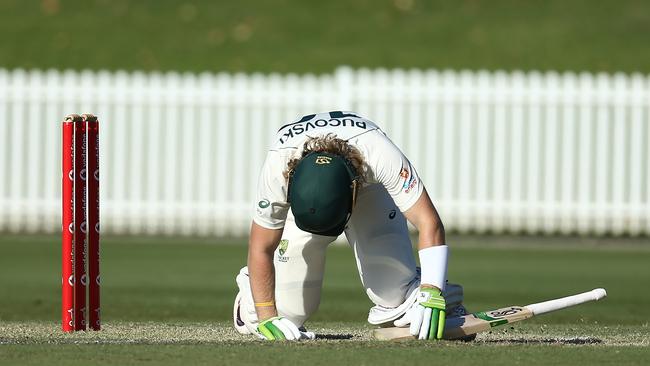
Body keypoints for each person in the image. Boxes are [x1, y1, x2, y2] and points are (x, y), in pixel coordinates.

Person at [233, 111, 467, 341]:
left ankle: (437, 298)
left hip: (367, 181)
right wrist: (265, 315)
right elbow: (260, 247)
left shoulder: (379, 154)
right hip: (310, 190)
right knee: (286, 312)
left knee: (392, 292)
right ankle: (248, 301)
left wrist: (432, 289)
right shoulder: (278, 168)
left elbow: (429, 222)